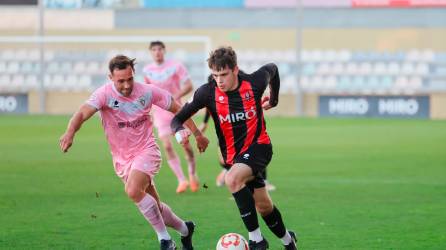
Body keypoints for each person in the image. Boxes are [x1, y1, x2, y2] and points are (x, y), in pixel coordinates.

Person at [59, 55, 209, 250]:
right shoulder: (103, 95)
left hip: (147, 150)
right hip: (122, 160)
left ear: (134, 74)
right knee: (155, 207)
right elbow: (81, 113)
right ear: (110, 77)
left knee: (132, 191)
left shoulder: (147, 91)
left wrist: (197, 134)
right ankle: (185, 229)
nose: (127, 85)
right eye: (121, 81)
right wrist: (70, 132)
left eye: (130, 79)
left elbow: (178, 109)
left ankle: (165, 240)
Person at [171, 47, 297, 249]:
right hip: (235, 158)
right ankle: (289, 242)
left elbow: (272, 69)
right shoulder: (206, 92)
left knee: (231, 179)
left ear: (235, 70)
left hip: (260, 146)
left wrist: (274, 99)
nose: (219, 80)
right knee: (264, 207)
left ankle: (256, 239)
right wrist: (181, 131)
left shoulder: (254, 82)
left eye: (223, 74)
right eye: (215, 75)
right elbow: (177, 118)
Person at [143, 40, 199, 194]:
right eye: (154, 49)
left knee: (186, 145)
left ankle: (192, 173)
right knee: (167, 145)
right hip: (160, 113)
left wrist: (174, 96)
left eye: (159, 49)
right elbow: (148, 93)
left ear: (164, 51)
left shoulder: (176, 65)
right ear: (151, 52)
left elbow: (189, 85)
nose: (157, 52)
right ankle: (182, 180)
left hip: (177, 111)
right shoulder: (147, 70)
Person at [199, 109, 276, 191]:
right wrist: (205, 122)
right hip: (226, 131)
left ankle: (263, 181)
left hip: (246, 128)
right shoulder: (214, 99)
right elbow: (208, 102)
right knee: (223, 160)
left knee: (256, 151)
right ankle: (228, 171)